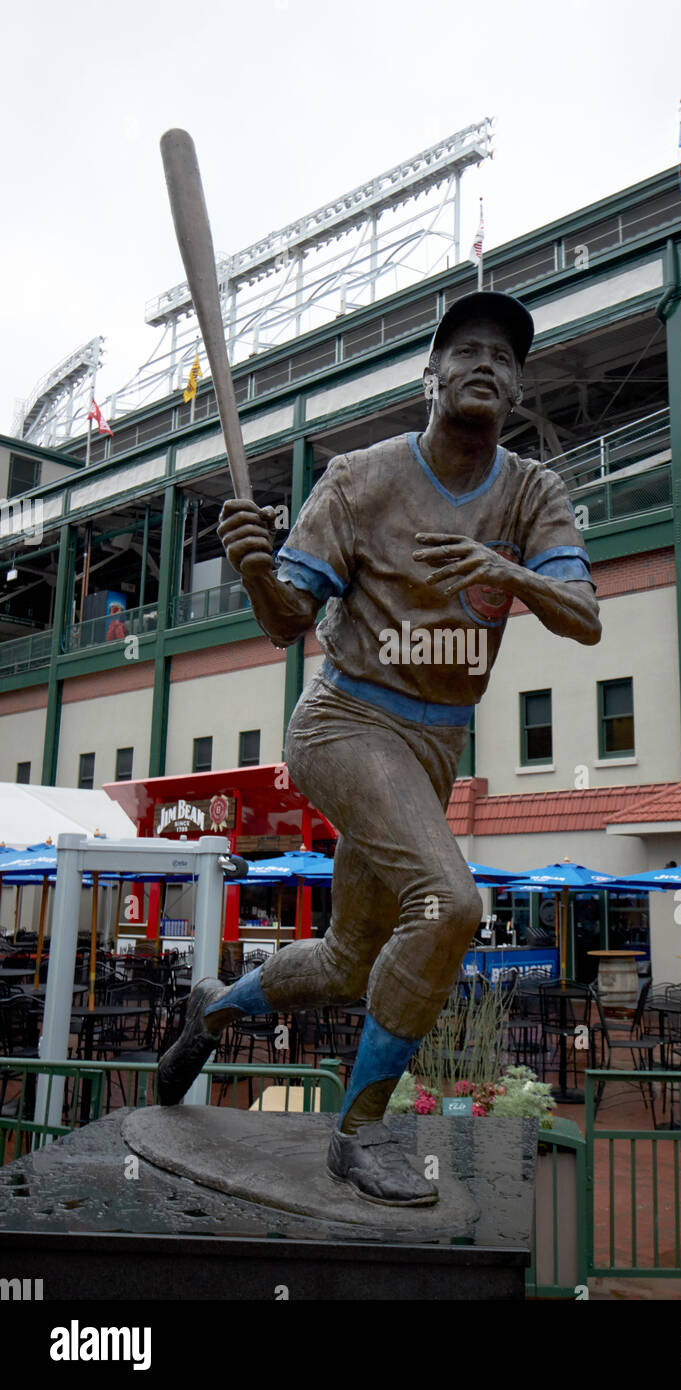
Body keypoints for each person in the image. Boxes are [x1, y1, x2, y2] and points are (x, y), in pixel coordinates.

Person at [157, 291, 601, 1205]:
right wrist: (252, 566)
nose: (487, 365)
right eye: (466, 350)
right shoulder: (361, 477)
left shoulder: (531, 489)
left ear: (516, 389)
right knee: (448, 907)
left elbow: (585, 618)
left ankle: (213, 1005)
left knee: (348, 960)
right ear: (431, 375)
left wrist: (508, 569)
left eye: (505, 358)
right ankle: (359, 1134)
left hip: (435, 746)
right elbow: (288, 621)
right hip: (346, 723)